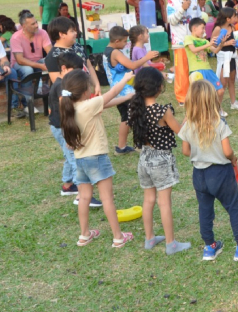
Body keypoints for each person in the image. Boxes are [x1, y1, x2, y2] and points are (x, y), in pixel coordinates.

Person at [179, 79, 238, 262]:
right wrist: (233, 158)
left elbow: (185, 151)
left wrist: (200, 155)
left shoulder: (188, 124)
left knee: (205, 211)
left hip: (199, 174)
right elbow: (227, 151)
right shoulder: (219, 123)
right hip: (220, 173)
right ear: (212, 100)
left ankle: (209, 247)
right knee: (234, 208)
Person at [60, 69, 135, 249]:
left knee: (84, 197)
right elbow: (112, 93)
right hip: (97, 158)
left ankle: (84, 235)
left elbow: (107, 102)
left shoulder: (72, 108)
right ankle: (118, 237)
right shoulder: (89, 105)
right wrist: (125, 79)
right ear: (86, 90)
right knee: (107, 198)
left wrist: (127, 97)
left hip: (80, 160)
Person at [128, 67, 191, 255]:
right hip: (161, 160)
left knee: (148, 200)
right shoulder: (163, 111)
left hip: (144, 158)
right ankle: (171, 243)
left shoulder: (136, 108)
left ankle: (149, 239)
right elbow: (181, 131)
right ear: (158, 88)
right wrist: (188, 116)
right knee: (164, 202)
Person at [48, 53, 97, 203]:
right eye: (75, 70)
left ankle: (68, 185)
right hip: (62, 127)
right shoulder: (61, 86)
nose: (78, 74)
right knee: (75, 158)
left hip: (57, 126)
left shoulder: (60, 84)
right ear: (64, 68)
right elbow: (66, 109)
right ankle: (80, 195)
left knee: (68, 155)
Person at [104, 26, 159, 154]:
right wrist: (147, 57)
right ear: (117, 41)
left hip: (117, 90)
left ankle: (121, 147)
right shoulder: (115, 52)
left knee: (126, 118)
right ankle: (142, 144)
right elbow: (133, 65)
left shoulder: (106, 51)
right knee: (138, 116)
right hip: (125, 91)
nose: (126, 44)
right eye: (124, 41)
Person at [167, 0, 203, 106]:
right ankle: (182, 98)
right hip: (180, 42)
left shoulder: (193, 0)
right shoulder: (171, 2)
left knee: (196, 69)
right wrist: (182, 9)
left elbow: (198, 17)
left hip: (194, 41)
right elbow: (171, 20)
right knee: (182, 71)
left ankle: (196, 95)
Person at [184, 18, 225, 115]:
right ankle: (198, 113)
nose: (204, 31)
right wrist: (209, 44)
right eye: (202, 28)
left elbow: (214, 51)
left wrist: (221, 44)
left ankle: (216, 109)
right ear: (194, 28)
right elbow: (193, 50)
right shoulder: (188, 38)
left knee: (220, 91)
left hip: (208, 70)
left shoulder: (205, 41)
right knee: (199, 95)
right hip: (196, 71)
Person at [209, 8, 238, 112]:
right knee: (223, 82)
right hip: (223, 58)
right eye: (234, 16)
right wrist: (226, 43)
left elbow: (236, 40)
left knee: (232, 80)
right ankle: (218, 107)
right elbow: (212, 45)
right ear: (228, 18)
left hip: (232, 57)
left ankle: (233, 102)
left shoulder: (233, 27)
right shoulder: (218, 28)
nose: (236, 18)